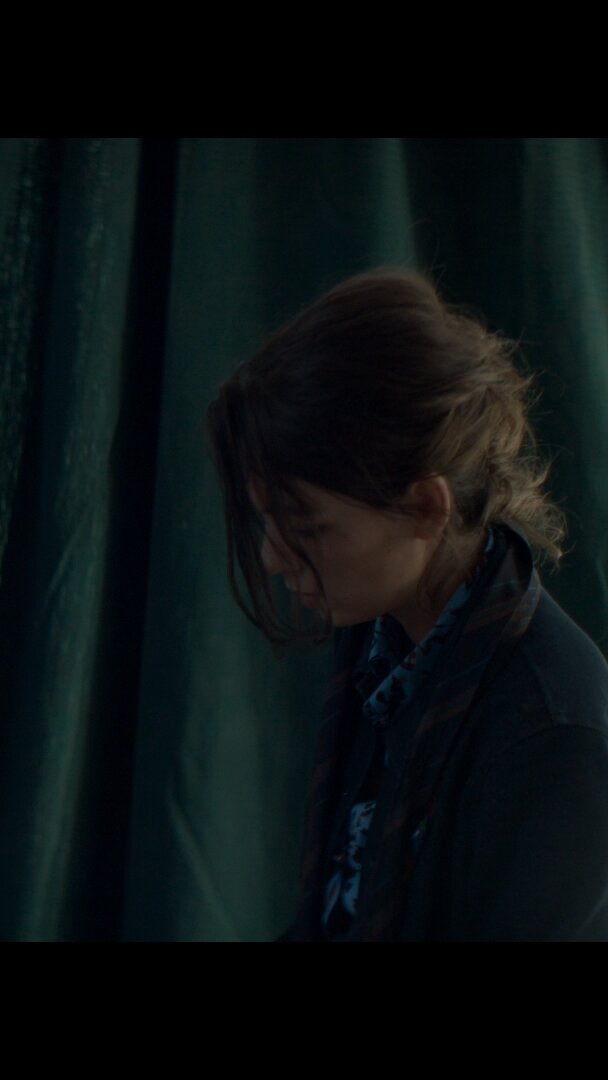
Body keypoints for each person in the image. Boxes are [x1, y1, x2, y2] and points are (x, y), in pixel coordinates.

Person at [206, 268, 608, 941]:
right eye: (267, 523)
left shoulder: (554, 738)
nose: (273, 557)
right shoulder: (384, 647)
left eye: (307, 528)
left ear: (425, 507)